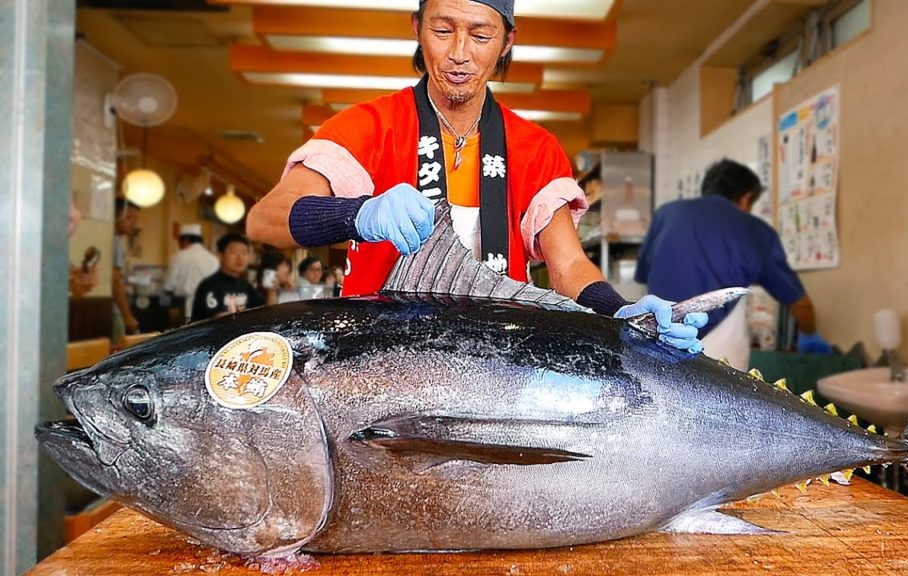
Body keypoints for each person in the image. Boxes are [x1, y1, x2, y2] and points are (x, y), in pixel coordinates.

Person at [246, 0, 706, 352]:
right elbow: (265, 220)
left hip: (498, 366)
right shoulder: (367, 128)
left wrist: (620, 311)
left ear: (507, 42)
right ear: (416, 28)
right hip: (376, 362)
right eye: (442, 30)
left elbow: (567, 265)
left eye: (481, 35)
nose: (458, 54)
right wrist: (358, 214)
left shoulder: (535, 148)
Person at [635, 158, 831, 370]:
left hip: (653, 345)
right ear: (746, 197)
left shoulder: (666, 214)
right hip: (715, 352)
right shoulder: (755, 230)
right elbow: (799, 303)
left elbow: (645, 276)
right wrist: (809, 334)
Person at [190, 233, 265, 322]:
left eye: (244, 253)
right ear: (220, 255)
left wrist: (272, 291)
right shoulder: (209, 285)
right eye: (233, 252)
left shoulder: (246, 286)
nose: (240, 258)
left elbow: (263, 313)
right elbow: (220, 320)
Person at [163, 223, 219, 321]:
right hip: (209, 308)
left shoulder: (179, 256)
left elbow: (169, 285)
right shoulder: (214, 259)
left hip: (185, 308)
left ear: (186, 240)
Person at [113, 197, 140, 339]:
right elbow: (115, 281)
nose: (133, 223)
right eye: (129, 217)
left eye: (135, 219)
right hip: (113, 313)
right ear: (115, 216)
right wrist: (128, 316)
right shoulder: (115, 241)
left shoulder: (111, 238)